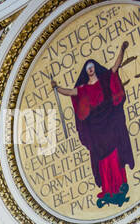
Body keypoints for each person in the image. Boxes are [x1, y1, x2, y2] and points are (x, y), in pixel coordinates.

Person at [52, 43, 133, 208]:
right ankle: (109, 190)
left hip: (109, 120)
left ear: (94, 68)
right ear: (86, 70)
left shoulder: (104, 79)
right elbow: (69, 92)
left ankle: (120, 185)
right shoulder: (82, 89)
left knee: (115, 152)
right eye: (87, 67)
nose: (90, 69)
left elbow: (115, 67)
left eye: (91, 66)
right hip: (96, 127)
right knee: (102, 157)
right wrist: (57, 87)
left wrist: (122, 49)